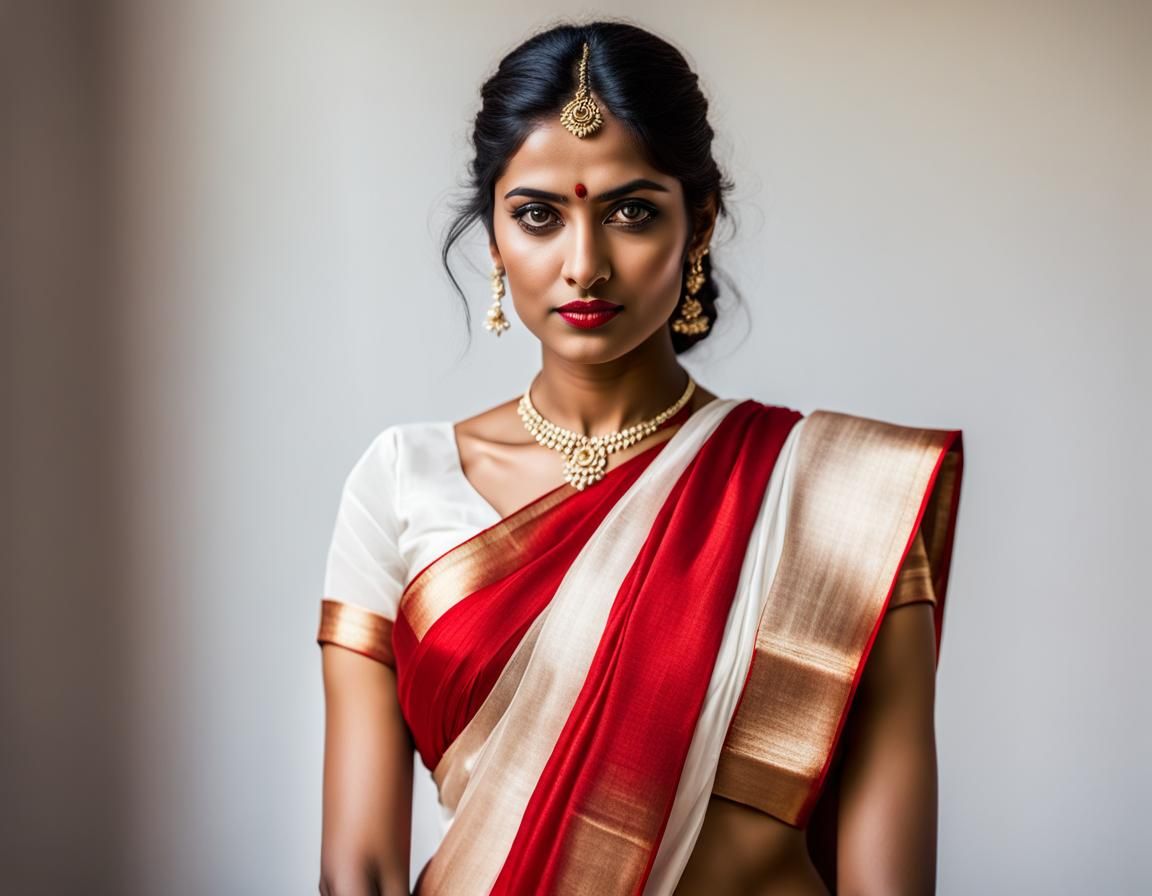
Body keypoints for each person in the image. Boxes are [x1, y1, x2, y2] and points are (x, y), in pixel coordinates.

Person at [316, 20, 964, 896]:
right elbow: (357, 868)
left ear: (699, 226)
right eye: (539, 215)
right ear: (494, 239)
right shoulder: (402, 483)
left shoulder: (840, 495)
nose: (585, 266)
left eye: (631, 213)